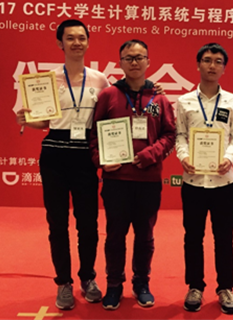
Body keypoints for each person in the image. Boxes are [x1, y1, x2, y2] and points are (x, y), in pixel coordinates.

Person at [15, 19, 107, 310]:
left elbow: (113, 113)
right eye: (70, 38)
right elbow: (42, 121)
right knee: (57, 222)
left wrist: (152, 91)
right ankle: (63, 282)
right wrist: (26, 119)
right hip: (54, 154)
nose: (76, 43)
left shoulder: (100, 80)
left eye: (81, 38)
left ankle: (88, 278)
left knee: (88, 223)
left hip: (85, 156)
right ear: (60, 43)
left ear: (88, 42)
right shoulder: (46, 80)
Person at [89, 39, 176, 311]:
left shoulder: (159, 98)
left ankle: (141, 283)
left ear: (148, 62)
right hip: (116, 181)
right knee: (115, 236)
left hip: (148, 180)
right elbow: (93, 134)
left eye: (139, 57)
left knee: (145, 236)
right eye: (129, 58)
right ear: (121, 63)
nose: (134, 62)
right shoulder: (108, 95)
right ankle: (114, 284)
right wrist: (101, 160)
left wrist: (150, 154)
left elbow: (170, 135)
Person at [175, 42, 233, 315]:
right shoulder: (184, 101)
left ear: (224, 68)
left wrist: (229, 157)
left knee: (224, 237)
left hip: (223, 182)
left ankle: (225, 287)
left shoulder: (232, 101)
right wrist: (184, 156)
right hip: (193, 182)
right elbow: (180, 135)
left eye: (218, 61)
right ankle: (195, 286)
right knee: (193, 237)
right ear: (198, 65)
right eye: (207, 60)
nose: (212, 65)